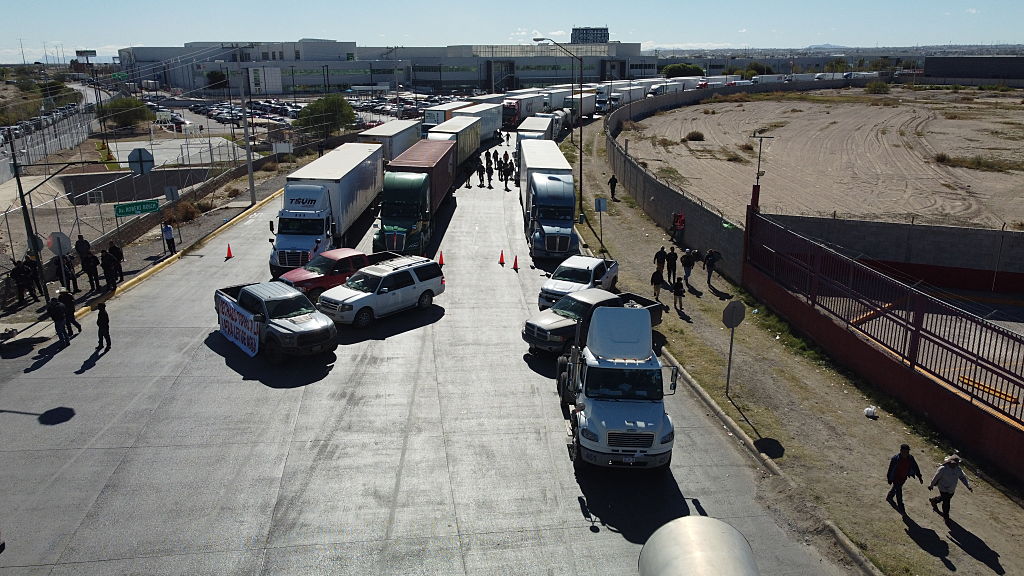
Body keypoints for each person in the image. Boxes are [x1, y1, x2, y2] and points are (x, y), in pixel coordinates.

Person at [928, 454, 972, 518]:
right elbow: (936, 477)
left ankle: (934, 500)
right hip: (943, 488)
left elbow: (962, 478)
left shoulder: (958, 469)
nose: (955, 465)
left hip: (951, 489)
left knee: (945, 498)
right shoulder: (943, 469)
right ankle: (946, 516)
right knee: (946, 502)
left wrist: (968, 486)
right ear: (950, 462)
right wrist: (931, 485)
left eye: (956, 464)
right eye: (954, 463)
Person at [886, 444, 923, 513]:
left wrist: (919, 476)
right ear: (900, 451)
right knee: (899, 493)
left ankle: (890, 496)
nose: (905, 454)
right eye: (904, 452)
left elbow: (915, 467)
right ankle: (901, 509)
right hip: (896, 478)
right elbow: (890, 469)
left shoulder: (910, 458)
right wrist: (889, 478)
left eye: (907, 452)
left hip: (903, 478)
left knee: (897, 487)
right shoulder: (895, 459)